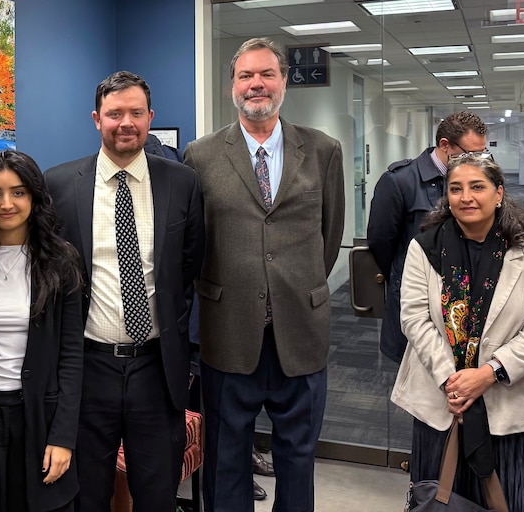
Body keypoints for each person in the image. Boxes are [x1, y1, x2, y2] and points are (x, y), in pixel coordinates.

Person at [183, 37, 345, 511]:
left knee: (298, 457)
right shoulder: (202, 155)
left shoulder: (322, 151)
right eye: (245, 76)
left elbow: (328, 238)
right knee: (225, 460)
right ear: (232, 86)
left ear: (284, 82)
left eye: (266, 74)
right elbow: (196, 245)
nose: (256, 84)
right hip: (227, 333)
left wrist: (292, 284)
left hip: (300, 331)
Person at [44, 71, 204, 512]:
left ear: (150, 117)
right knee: (88, 495)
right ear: (97, 119)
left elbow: (189, 266)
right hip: (87, 367)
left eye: (136, 112)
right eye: (115, 113)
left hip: (157, 369)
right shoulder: (58, 185)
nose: (125, 122)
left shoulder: (181, 183)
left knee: (156, 496)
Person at [392, 154, 524, 510]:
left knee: (510, 499)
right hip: (442, 406)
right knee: (441, 500)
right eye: (456, 188)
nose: (465, 196)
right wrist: (452, 381)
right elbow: (414, 319)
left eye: (477, 186)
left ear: (499, 193)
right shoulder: (423, 249)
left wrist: (489, 373)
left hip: (508, 409)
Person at [143, 125, 273, 502]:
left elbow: (195, 253)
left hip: (199, 319)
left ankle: (239, 465)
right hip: (157, 328)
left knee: (214, 410)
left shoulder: (176, 169)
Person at [0, 151, 84, 512]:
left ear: (35, 197)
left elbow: (71, 356)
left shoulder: (61, 260)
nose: (6, 203)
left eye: (18, 192)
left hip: (38, 417)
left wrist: (63, 437)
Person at [367, 111, 488, 363]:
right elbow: (381, 241)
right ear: (445, 146)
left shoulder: (479, 178)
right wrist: (402, 274)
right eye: (470, 154)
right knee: (418, 377)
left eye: (482, 154)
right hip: (419, 296)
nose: (478, 162)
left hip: (467, 297)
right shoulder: (400, 181)